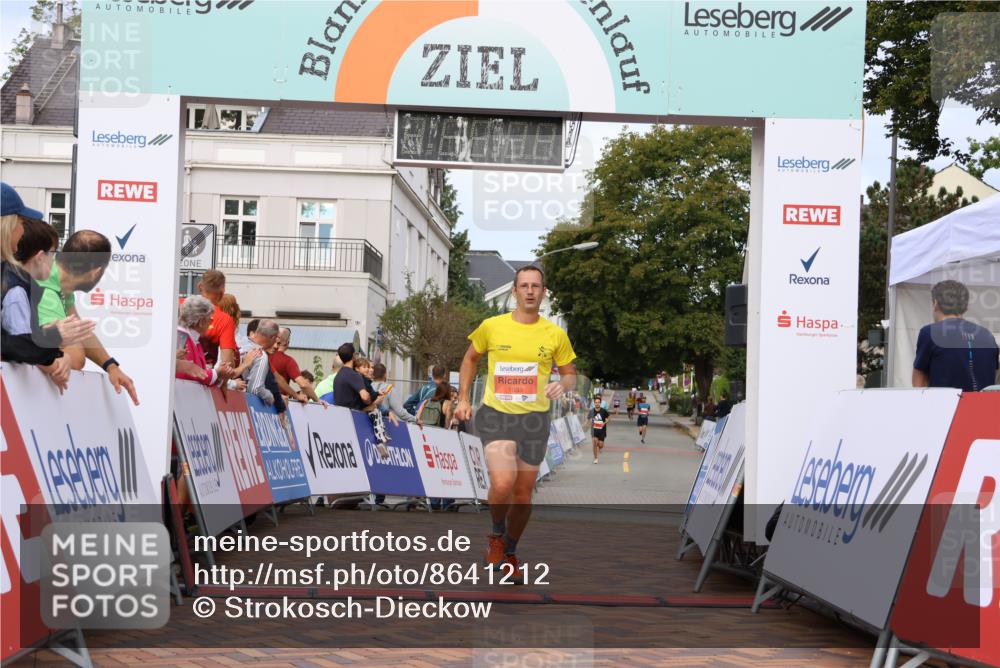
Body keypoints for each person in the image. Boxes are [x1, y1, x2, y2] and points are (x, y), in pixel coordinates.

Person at [455, 264, 577, 580]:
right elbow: (469, 359)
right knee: (503, 482)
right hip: (497, 415)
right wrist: (464, 398)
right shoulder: (492, 326)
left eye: (536, 286)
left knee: (522, 495)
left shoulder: (555, 334)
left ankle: (510, 551)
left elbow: (570, 374)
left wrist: (562, 384)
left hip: (534, 420)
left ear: (543, 293)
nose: (530, 291)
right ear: (514, 291)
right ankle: (496, 535)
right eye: (524, 285)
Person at [34, 229, 139, 404]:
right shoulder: (46, 289)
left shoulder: (61, 283)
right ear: (96, 272)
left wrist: (111, 366)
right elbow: (76, 358)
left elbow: (79, 331)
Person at [1, 214, 92, 390]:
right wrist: (55, 357)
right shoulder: (17, 290)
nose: (55, 261)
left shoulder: (24, 286)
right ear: (40, 257)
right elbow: (20, 346)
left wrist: (56, 354)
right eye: (53, 253)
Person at [913, 280, 999, 392]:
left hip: (946, 402)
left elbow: (918, 382)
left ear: (935, 303)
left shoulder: (930, 332)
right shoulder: (987, 335)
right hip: (984, 402)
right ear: (965, 306)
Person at [176, 296, 234, 386]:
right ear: (201, 322)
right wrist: (217, 372)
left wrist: (218, 374)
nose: (211, 323)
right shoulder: (182, 338)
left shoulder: (191, 338)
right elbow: (193, 374)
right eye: (210, 319)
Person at [269, 327, 326, 404]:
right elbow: (303, 384)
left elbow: (277, 379)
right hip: (277, 403)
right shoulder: (288, 361)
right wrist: (317, 400)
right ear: (287, 342)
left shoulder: (262, 354)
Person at [588, 395, 610, 463]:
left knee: (600, 445)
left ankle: (599, 447)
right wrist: (591, 422)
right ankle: (595, 458)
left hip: (602, 431)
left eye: (598, 402)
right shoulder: (592, 411)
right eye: (596, 402)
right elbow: (589, 419)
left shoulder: (603, 411)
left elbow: (608, 418)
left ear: (600, 403)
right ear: (594, 403)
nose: (597, 404)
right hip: (594, 430)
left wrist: (605, 422)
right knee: (594, 443)